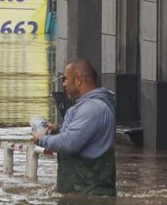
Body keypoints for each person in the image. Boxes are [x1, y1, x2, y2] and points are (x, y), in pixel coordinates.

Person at [30, 58, 116, 196]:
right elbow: (76, 137)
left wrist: (41, 139)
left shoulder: (92, 109)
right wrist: (58, 130)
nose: (63, 84)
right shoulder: (83, 107)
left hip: (90, 198)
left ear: (79, 80)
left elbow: (69, 143)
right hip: (80, 193)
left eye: (65, 79)